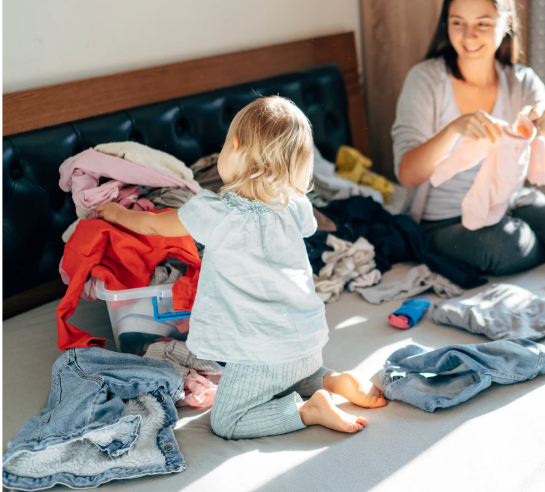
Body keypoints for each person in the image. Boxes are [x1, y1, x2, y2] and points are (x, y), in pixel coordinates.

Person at [97, 96, 387, 440]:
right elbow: (308, 226)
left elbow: (152, 225)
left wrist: (115, 213)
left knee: (227, 421)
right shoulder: (296, 206)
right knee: (287, 374)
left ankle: (306, 410)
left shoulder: (216, 212)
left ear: (234, 147)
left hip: (261, 352)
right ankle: (332, 380)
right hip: (307, 342)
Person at [392, 0, 545, 275]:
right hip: (444, 221)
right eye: (458, 23)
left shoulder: (523, 82)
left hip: (512, 206)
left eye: (482, 24)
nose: (468, 36)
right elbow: (407, 174)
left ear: (506, 23)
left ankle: (532, 239)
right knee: (501, 249)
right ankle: (537, 241)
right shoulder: (425, 80)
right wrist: (453, 130)